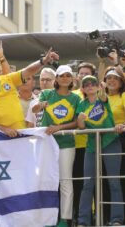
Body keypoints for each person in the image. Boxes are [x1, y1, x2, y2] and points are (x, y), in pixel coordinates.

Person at [32, 65, 81, 227]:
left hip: (66, 143)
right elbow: (34, 109)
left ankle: (65, 219)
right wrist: (41, 105)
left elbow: (76, 122)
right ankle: (47, 218)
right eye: (62, 76)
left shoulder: (75, 98)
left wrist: (59, 128)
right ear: (57, 79)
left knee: (65, 181)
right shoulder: (46, 93)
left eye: (68, 75)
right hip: (46, 143)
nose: (65, 78)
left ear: (72, 79)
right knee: (46, 181)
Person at [0, 48, 58, 136]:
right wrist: (3, 129)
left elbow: (28, 71)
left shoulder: (8, 79)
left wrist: (43, 61)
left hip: (20, 133)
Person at [76, 75, 124, 226]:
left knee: (114, 182)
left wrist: (102, 91)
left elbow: (103, 97)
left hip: (111, 142)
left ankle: (116, 220)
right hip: (92, 145)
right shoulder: (81, 105)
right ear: (82, 88)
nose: (90, 86)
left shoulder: (103, 98)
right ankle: (83, 221)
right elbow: (81, 128)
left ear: (98, 86)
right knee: (87, 184)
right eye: (86, 84)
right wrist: (81, 120)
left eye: (93, 83)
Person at [102, 66, 125, 221]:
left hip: (122, 138)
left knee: (121, 179)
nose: (112, 80)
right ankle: (106, 216)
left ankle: (122, 217)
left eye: (115, 78)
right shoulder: (102, 97)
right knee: (105, 180)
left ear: (121, 82)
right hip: (103, 140)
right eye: (108, 78)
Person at [71, 62, 96, 222]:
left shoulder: (98, 94)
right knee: (79, 186)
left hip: (95, 145)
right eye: (81, 73)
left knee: (96, 185)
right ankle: (79, 218)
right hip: (76, 146)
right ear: (77, 76)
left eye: (87, 73)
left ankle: (96, 216)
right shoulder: (74, 95)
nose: (83, 76)